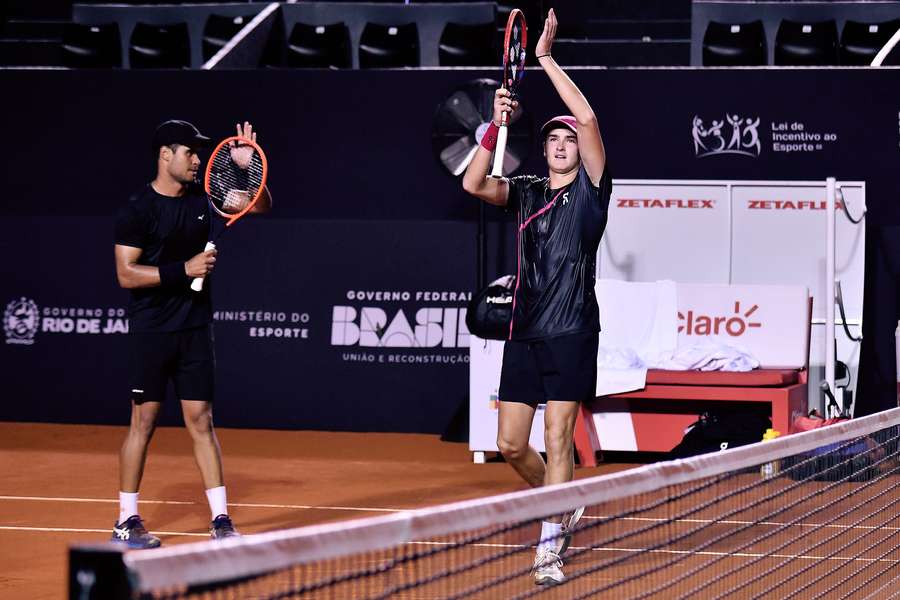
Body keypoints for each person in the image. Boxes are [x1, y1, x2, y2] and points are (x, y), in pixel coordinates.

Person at [462, 9, 611, 586]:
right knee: (509, 444)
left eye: (568, 139)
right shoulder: (524, 192)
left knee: (557, 435)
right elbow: (473, 184)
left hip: (572, 331)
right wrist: (493, 129)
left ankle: (549, 547)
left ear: (580, 152)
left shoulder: (594, 194)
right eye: (552, 137)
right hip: (524, 332)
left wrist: (545, 58)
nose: (560, 143)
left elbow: (591, 119)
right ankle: (562, 504)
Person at [111, 120, 271, 548]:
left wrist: (245, 167)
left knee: (202, 420)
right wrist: (183, 270)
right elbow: (126, 274)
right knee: (142, 422)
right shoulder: (138, 209)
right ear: (166, 155)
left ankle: (221, 519)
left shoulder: (206, 198)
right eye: (190, 153)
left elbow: (256, 205)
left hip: (195, 328)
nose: (198, 160)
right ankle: (126, 520)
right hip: (152, 329)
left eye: (200, 153)